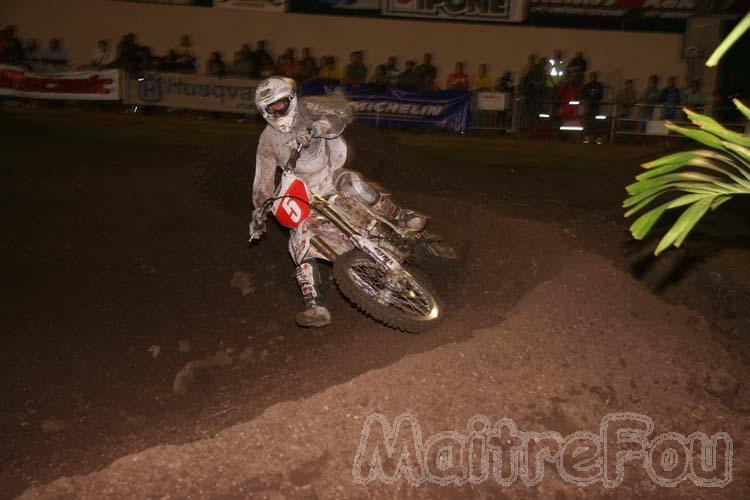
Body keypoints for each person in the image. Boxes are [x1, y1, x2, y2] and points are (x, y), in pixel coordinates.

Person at [250, 77, 427, 327]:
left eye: (280, 104)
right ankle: (315, 305)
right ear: (264, 112)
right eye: (271, 108)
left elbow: (341, 115)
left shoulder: (308, 107)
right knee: (298, 239)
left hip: (332, 173)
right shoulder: (267, 139)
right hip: (304, 191)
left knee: (350, 182)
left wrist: (317, 128)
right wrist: (259, 212)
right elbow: (263, 179)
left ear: (290, 99)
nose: (277, 111)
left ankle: (400, 216)